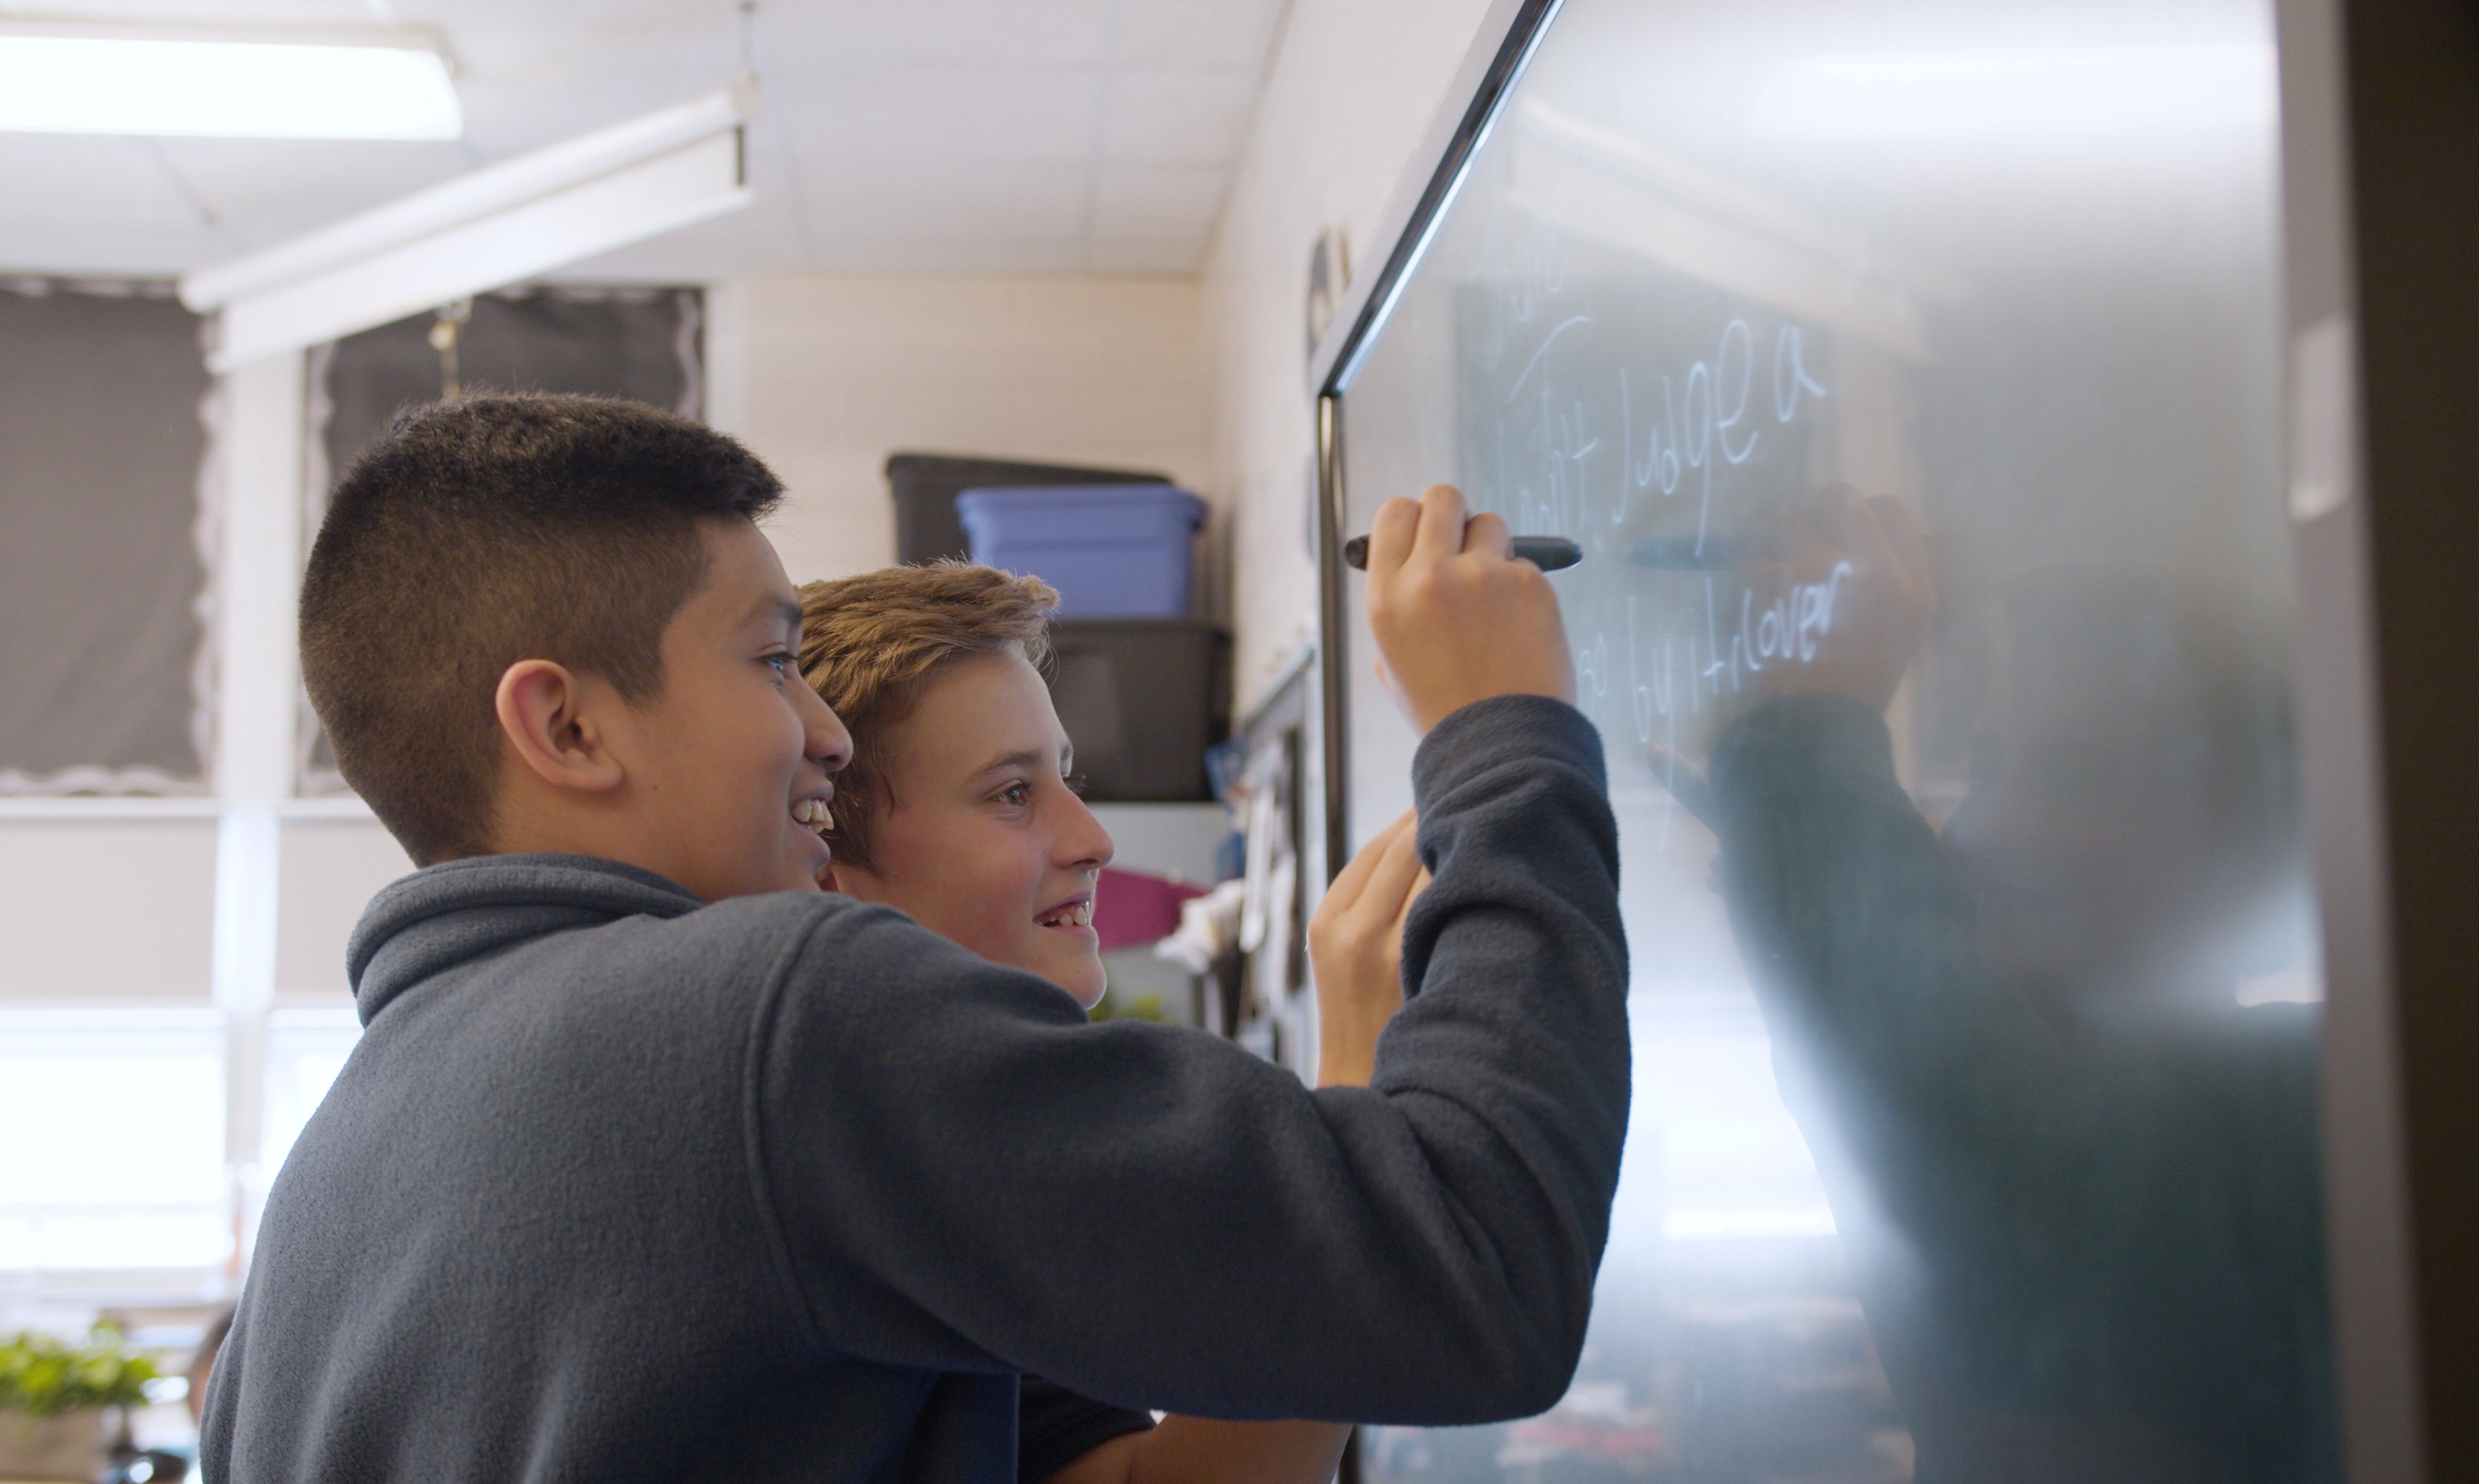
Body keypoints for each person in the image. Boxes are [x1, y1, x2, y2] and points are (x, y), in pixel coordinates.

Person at [199, 393, 1632, 1483]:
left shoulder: (324, 1199)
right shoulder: (765, 1016)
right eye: (770, 664)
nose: (818, 728)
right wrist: (1505, 741)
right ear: (566, 724)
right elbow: (1478, 1271)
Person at [1681, 487, 2331, 1483]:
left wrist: (1800, 746)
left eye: (2080, 779)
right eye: (1988, 769)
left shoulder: (2316, 1116)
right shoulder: (2061, 1092)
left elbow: (1994, 1145)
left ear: (2254, 846)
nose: (1993, 828)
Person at [794, 560, 1431, 1484]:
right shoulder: (823, 1154)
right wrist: (1359, 1081)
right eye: (1012, 793)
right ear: (826, 867)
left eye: (1064, 777)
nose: (1094, 838)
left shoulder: (967, 1158)